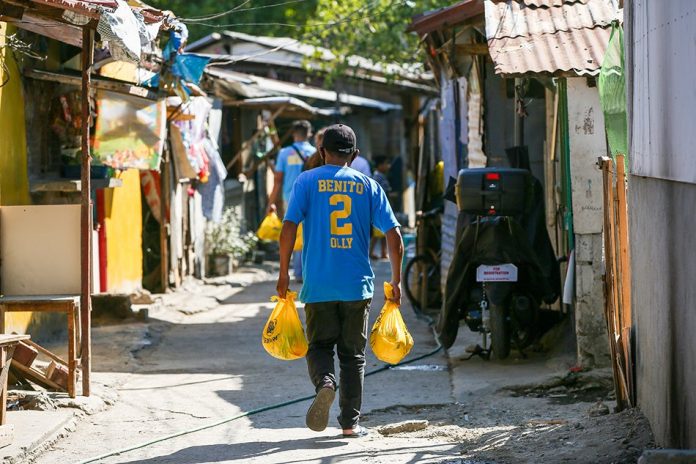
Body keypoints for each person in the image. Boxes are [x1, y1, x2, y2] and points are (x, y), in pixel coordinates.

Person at [277, 124, 403, 438]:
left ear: (322, 152)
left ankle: (325, 383)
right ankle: (350, 424)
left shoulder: (306, 181)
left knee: (319, 346)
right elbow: (394, 236)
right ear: (355, 155)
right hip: (356, 286)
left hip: (318, 284)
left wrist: (282, 275)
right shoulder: (369, 185)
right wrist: (397, 282)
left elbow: (288, 229)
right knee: (353, 355)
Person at [269, 120, 316, 281]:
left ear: (294, 133)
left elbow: (278, 179)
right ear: (309, 134)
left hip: (290, 198)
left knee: (292, 233)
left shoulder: (284, 153)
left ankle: (298, 272)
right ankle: (308, 270)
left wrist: (271, 202)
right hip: (312, 198)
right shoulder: (315, 153)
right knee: (309, 234)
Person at [370, 156, 392, 260]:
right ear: (380, 165)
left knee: (383, 233)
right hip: (379, 208)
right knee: (377, 233)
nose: (388, 166)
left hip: (380, 208)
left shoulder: (379, 176)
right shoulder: (378, 177)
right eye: (386, 163)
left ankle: (383, 252)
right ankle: (371, 252)